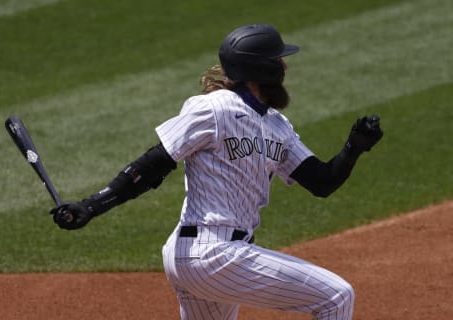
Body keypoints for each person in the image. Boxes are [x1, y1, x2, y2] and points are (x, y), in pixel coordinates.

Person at [51, 23, 383, 320]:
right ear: (263, 69)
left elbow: (322, 182)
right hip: (215, 255)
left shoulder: (277, 127)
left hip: (200, 260)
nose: (285, 66)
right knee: (336, 297)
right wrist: (91, 205)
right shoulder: (215, 108)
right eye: (279, 60)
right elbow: (154, 164)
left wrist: (354, 147)